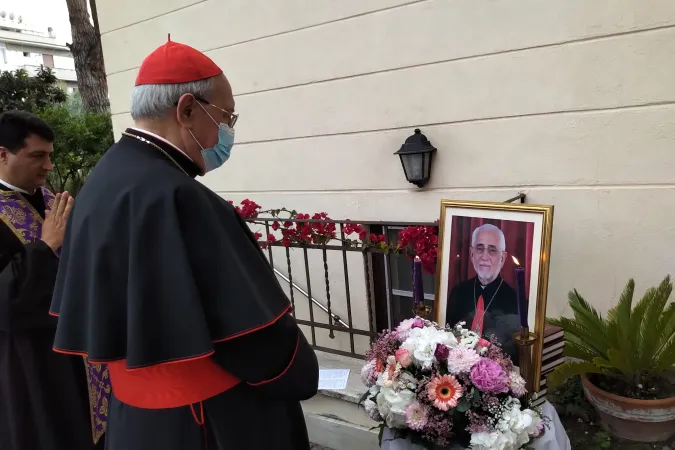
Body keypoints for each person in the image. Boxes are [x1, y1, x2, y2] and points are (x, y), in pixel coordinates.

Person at [50, 38, 319, 450]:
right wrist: (300, 371)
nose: (228, 130)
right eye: (226, 115)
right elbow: (252, 340)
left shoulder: (104, 179)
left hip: (135, 422)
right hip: (210, 422)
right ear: (187, 109)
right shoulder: (176, 196)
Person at [0, 111, 103, 450]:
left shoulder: (49, 200)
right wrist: (45, 247)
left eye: (50, 155)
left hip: (78, 345)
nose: (47, 165)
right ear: (3, 154)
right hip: (30, 359)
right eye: (37, 156)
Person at [446, 223, 519, 361]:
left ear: (502, 258)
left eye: (492, 250)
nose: (484, 257)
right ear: (472, 254)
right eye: (480, 249)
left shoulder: (515, 300)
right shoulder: (458, 292)